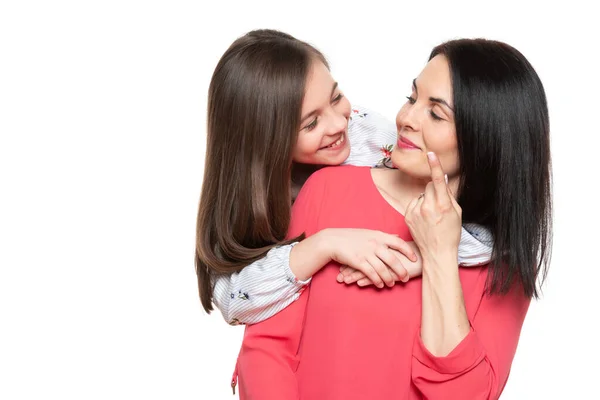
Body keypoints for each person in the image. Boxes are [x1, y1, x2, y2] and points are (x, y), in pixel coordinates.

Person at [234, 38, 552, 399]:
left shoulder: (502, 264)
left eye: (435, 113)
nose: (405, 118)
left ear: (486, 139)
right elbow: (267, 348)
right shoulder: (328, 189)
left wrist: (438, 256)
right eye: (411, 97)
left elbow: (466, 394)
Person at [195, 29, 493, 327]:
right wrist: (324, 245)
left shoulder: (372, 138)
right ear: (265, 142)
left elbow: (497, 231)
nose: (339, 123)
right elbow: (234, 302)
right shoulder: (247, 194)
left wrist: (425, 253)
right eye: (311, 123)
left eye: (336, 97)